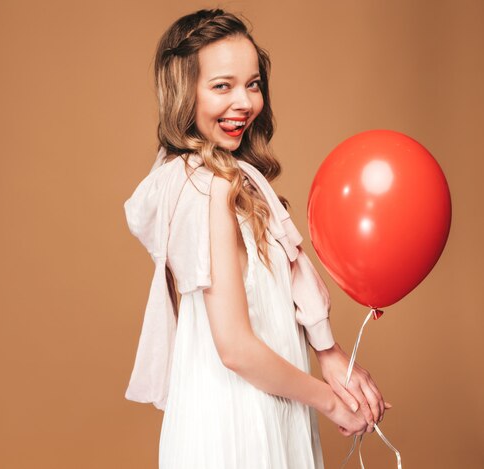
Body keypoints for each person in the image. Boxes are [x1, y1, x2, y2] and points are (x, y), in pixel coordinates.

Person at [123, 8, 391, 468]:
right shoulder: (210, 186)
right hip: (237, 424)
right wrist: (329, 400)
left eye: (253, 83)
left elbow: (265, 303)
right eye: (221, 85)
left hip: (255, 407)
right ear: (183, 93)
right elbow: (236, 347)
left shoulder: (212, 179)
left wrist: (329, 355)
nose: (244, 102)